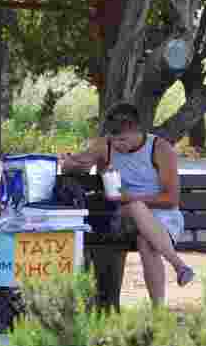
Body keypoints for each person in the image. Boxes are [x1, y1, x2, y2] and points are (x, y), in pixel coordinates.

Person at [59, 102, 195, 306]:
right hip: (122, 214)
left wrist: (128, 198)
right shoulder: (106, 145)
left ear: (138, 131)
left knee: (146, 241)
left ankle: (158, 311)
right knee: (135, 207)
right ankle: (178, 265)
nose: (117, 144)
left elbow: (171, 200)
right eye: (113, 139)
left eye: (122, 139)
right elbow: (74, 163)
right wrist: (73, 163)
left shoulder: (160, 148)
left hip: (163, 215)